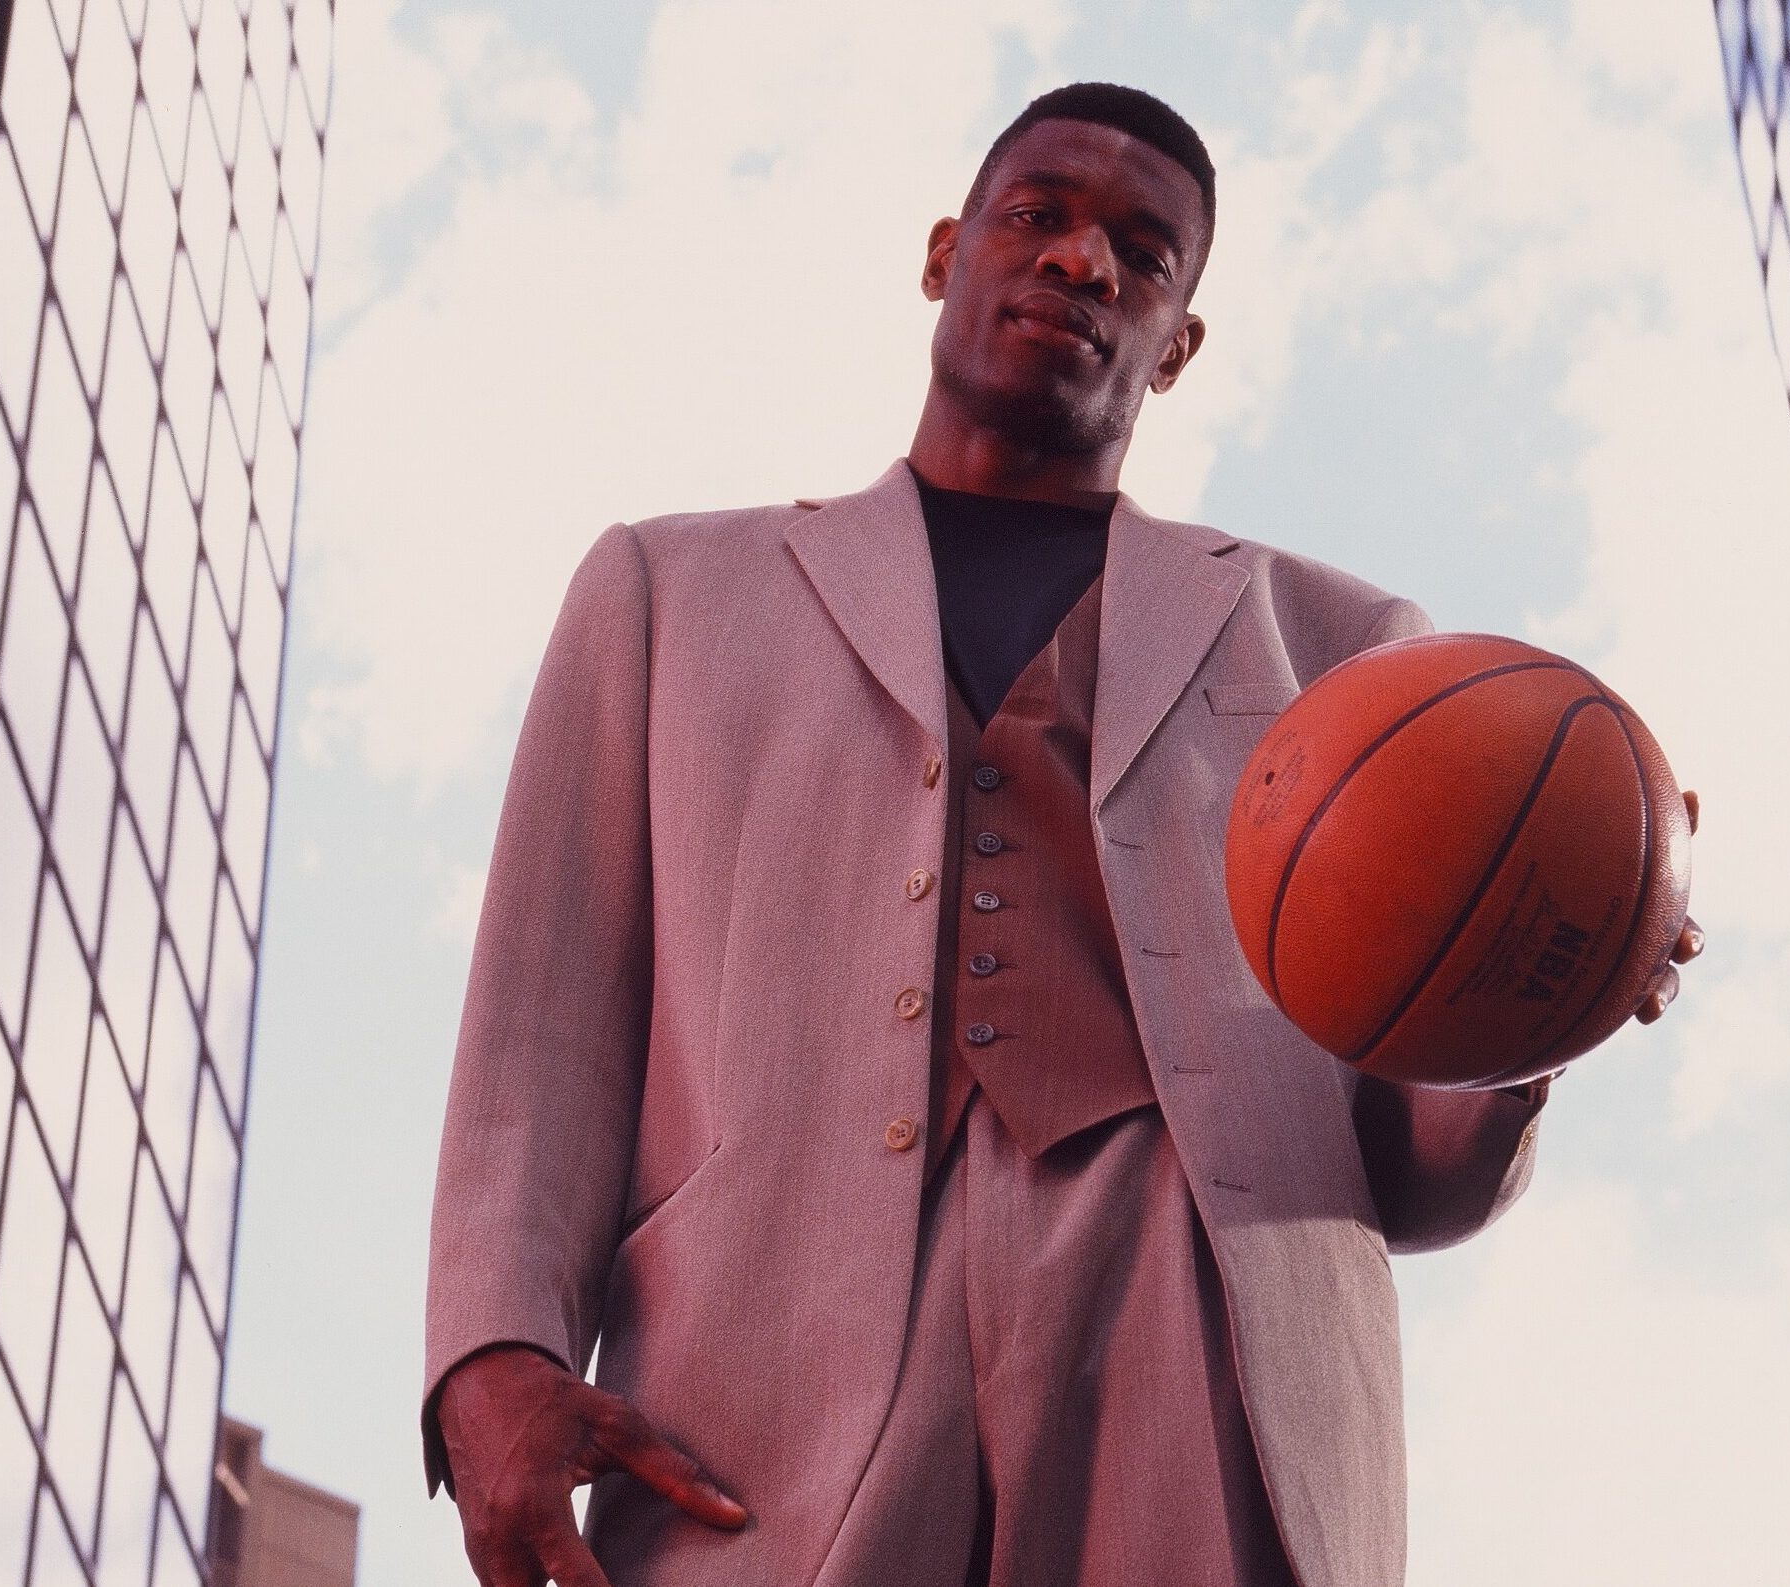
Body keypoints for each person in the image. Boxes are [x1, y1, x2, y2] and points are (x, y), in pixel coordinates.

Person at [423, 81, 1703, 1587]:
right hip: (761, 1358)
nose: (1086, 263)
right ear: (947, 252)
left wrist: (1543, 999)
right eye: (1041, 217)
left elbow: (1409, 1172)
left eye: (1144, 254)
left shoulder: (1354, 654)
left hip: (1195, 1316)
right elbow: (544, 1014)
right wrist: (491, 1354)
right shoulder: (666, 590)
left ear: (1181, 340)